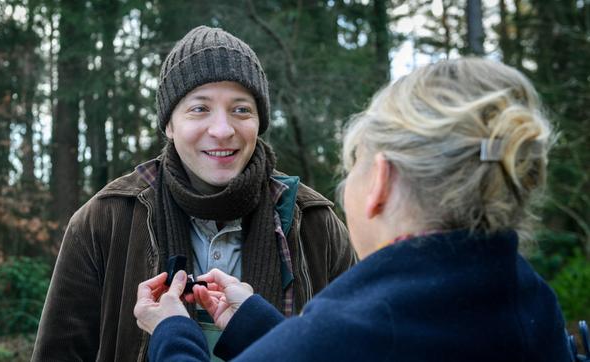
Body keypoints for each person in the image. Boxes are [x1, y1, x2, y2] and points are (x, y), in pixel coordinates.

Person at [134, 57, 574, 361]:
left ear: (379, 180)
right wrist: (253, 322)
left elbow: (336, 347)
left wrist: (174, 333)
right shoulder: (534, 306)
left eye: (353, 164)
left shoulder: (359, 325)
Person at [32, 26, 356, 361]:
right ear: (169, 125)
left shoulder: (314, 223)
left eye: (241, 109)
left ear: (260, 121)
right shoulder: (104, 220)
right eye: (200, 109)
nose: (222, 130)